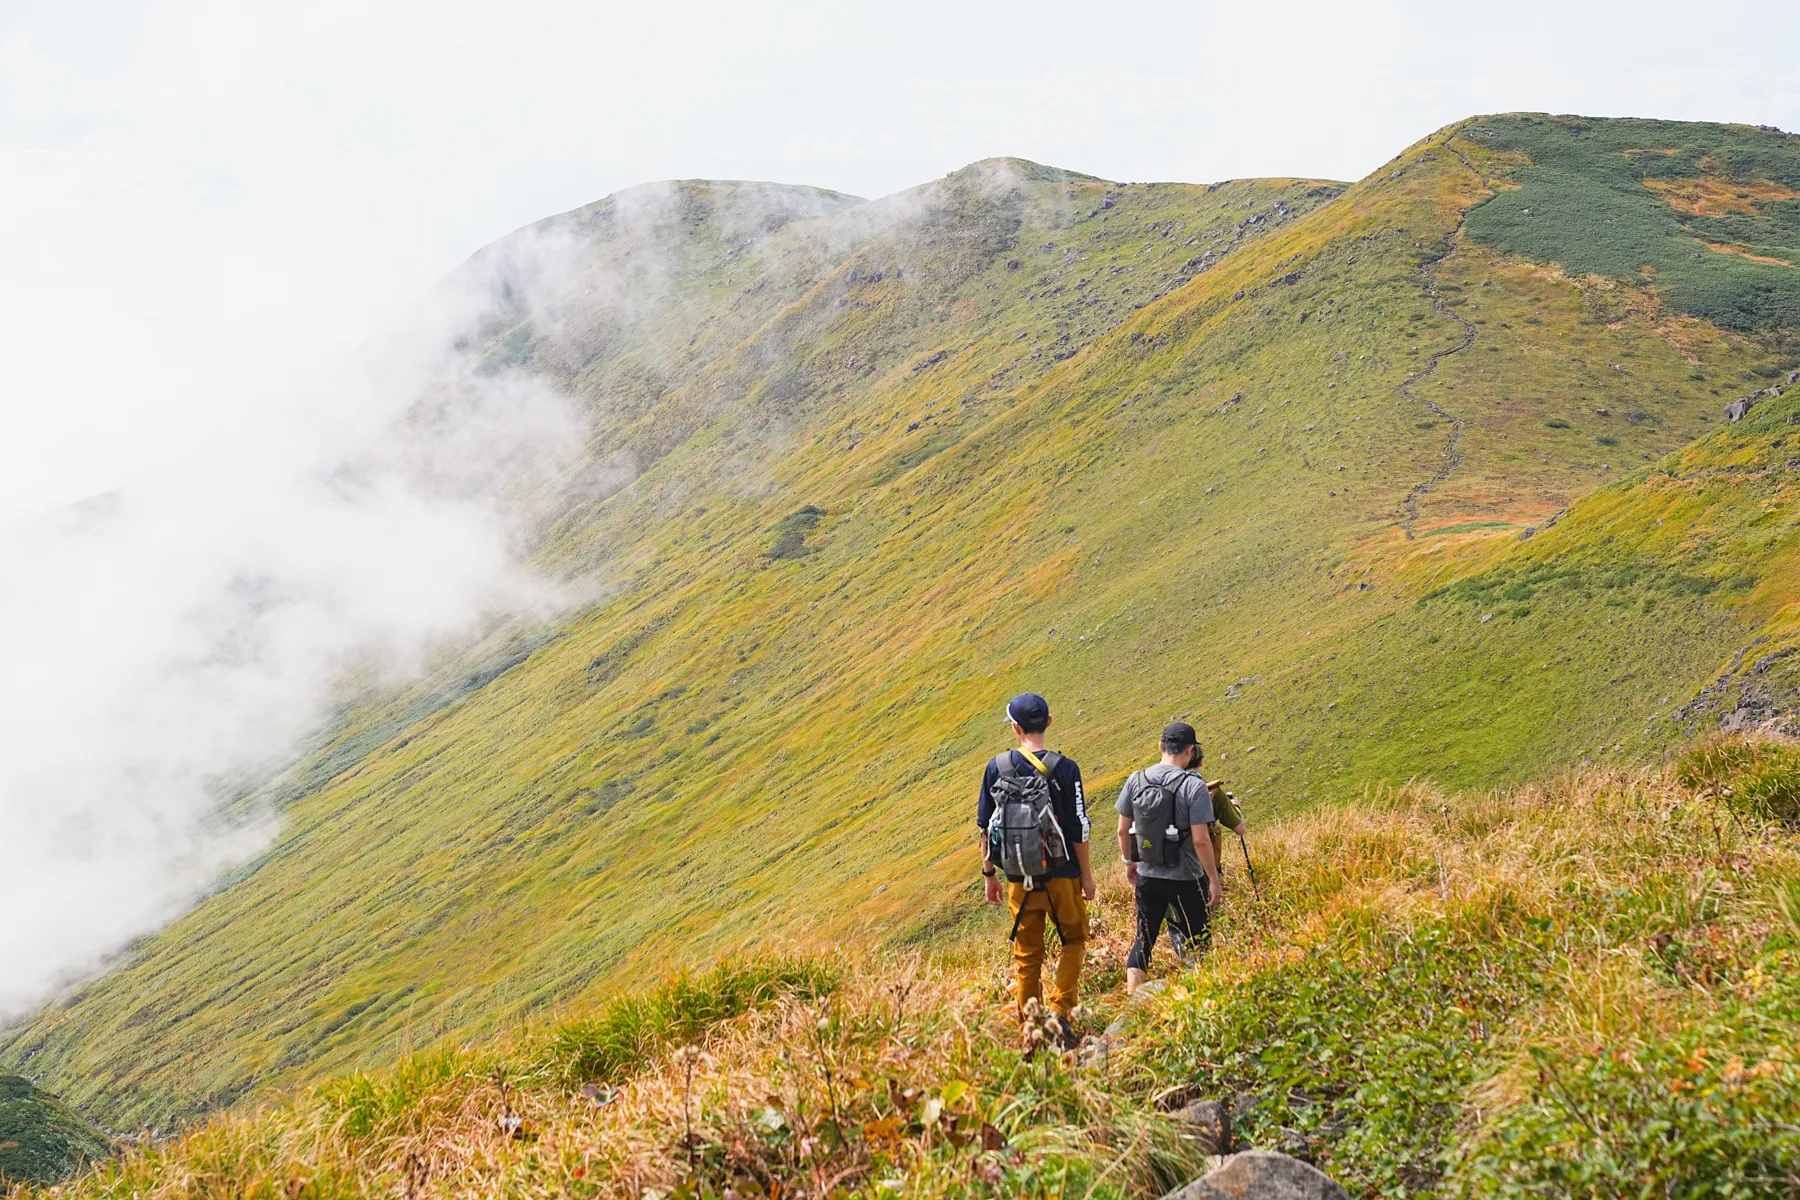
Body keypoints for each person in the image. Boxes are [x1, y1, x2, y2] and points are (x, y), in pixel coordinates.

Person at [977, 693, 1094, 1044]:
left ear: (1015, 728)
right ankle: (1061, 1013)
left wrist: (989, 875)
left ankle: (1030, 1026)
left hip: (1018, 879)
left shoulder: (997, 767)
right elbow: (1079, 828)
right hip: (1063, 874)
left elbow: (985, 828)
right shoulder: (1066, 768)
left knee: (1027, 955)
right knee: (1073, 939)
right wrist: (1086, 875)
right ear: (1049, 722)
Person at [1114, 722, 1221, 991]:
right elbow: (1200, 839)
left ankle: (1133, 1006)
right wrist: (1213, 880)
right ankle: (1199, 999)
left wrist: (1130, 862)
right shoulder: (1193, 786)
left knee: (1143, 941)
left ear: (1160, 747)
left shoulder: (1136, 779)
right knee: (1198, 941)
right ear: (1189, 752)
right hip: (1186, 876)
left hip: (1148, 875)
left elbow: (1121, 829)